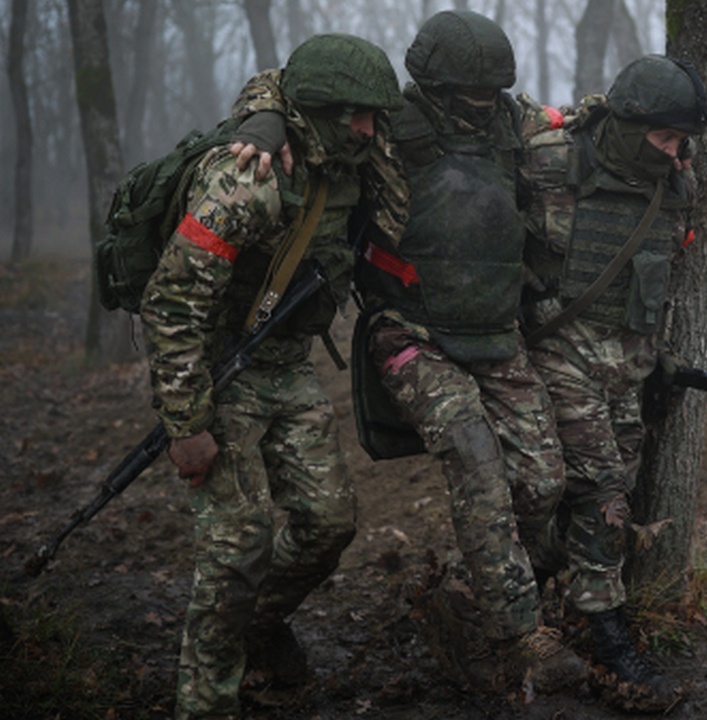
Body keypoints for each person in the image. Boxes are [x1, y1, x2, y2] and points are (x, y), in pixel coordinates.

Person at [227, 11, 587, 698]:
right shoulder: (389, 120)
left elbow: (580, 120)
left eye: (489, 97)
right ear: (431, 84)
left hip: (492, 332)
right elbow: (283, 84)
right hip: (409, 330)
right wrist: (262, 122)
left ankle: (464, 604)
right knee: (476, 460)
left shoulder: (514, 124)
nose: (479, 110)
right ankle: (520, 639)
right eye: (466, 97)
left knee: (541, 480)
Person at [138, 34, 402, 720]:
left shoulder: (351, 161)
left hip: (286, 367)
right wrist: (187, 425)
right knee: (239, 543)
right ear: (322, 111)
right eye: (360, 116)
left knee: (329, 522)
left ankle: (249, 631)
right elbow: (172, 302)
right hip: (220, 371)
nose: (373, 130)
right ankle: (206, 701)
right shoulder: (249, 177)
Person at [520, 54, 707, 709]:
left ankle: (522, 589)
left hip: (628, 370)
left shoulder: (676, 184)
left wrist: (661, 361)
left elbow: (656, 283)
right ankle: (609, 642)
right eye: (664, 139)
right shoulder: (548, 161)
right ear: (627, 122)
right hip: (559, 359)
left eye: (681, 142)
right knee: (604, 498)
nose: (675, 153)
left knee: (605, 502)